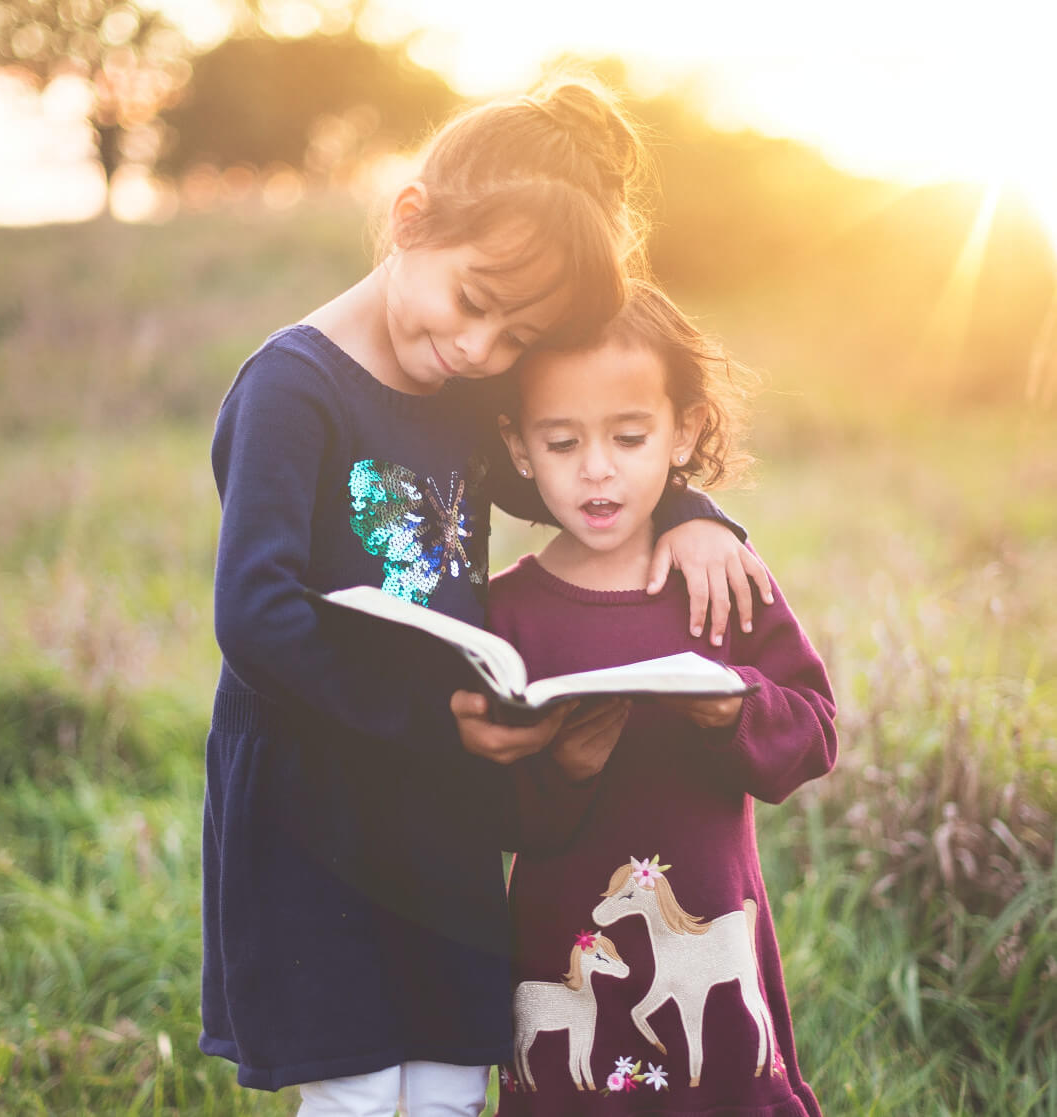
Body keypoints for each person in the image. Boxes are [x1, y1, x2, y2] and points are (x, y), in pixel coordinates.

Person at [200, 78, 771, 1117]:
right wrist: (433, 718)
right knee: (359, 1088)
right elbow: (254, 613)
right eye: (473, 303)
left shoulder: (462, 398)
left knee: (456, 1080)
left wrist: (690, 509)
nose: (480, 351)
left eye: (516, 339)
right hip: (318, 807)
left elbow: (571, 486)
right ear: (410, 219)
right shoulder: (293, 389)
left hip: (440, 810)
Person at [490, 280, 838, 1116]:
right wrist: (560, 768)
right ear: (518, 445)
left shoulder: (718, 579)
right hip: (561, 937)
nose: (597, 466)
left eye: (630, 435)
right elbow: (487, 810)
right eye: (562, 440)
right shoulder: (505, 612)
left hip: (712, 929)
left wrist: (735, 709)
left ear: (681, 431)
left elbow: (815, 731)